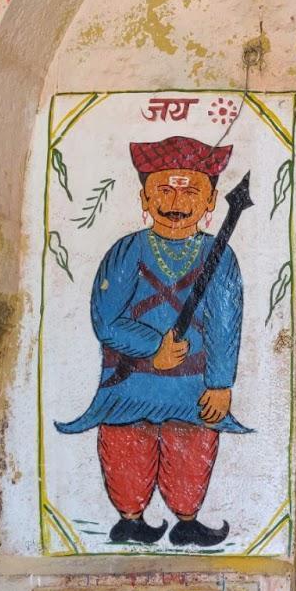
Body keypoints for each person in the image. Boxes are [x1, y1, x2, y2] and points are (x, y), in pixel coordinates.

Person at [55, 135, 248, 547]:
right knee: (127, 440)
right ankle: (130, 517)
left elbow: (226, 322)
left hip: (192, 384)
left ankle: (187, 519)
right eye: (163, 189)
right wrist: (152, 347)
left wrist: (220, 383)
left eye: (191, 190)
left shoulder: (220, 256)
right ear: (144, 197)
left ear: (211, 201)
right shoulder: (127, 251)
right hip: (130, 379)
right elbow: (106, 318)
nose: (175, 201)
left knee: (191, 441)